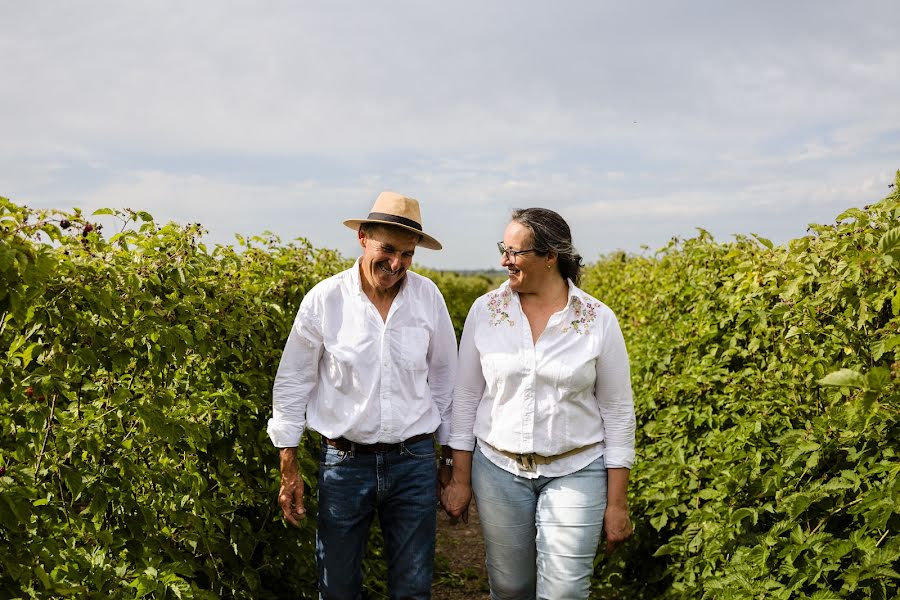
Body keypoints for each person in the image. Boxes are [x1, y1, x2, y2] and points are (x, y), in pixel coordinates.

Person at [268, 191, 457, 600]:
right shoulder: (325, 299)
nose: (396, 263)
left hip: (414, 462)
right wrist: (289, 462)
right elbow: (293, 380)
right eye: (387, 249)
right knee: (337, 587)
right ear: (363, 238)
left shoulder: (429, 299)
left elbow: (445, 382)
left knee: (413, 588)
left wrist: (446, 459)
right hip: (344, 463)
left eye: (407, 254)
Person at [440, 208, 635, 600]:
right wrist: (459, 479)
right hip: (498, 469)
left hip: (576, 469)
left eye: (514, 252)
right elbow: (464, 398)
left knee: (564, 591)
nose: (503, 260)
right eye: (503, 249)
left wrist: (617, 504)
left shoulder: (597, 319)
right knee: (511, 587)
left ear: (550, 256)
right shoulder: (486, 312)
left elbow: (617, 412)